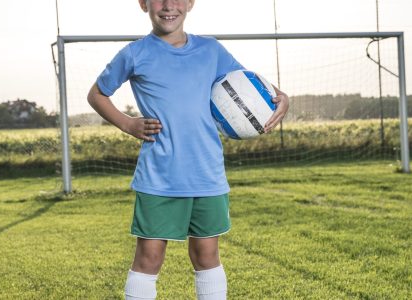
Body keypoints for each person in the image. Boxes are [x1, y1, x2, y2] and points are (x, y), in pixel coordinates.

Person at [87, 0, 289, 298]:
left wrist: (281, 96)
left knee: (207, 255)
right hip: (161, 175)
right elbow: (97, 94)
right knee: (149, 257)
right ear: (143, 4)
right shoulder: (135, 53)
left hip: (207, 174)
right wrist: (128, 124)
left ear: (191, 3)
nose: (169, 5)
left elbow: (249, 87)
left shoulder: (211, 50)